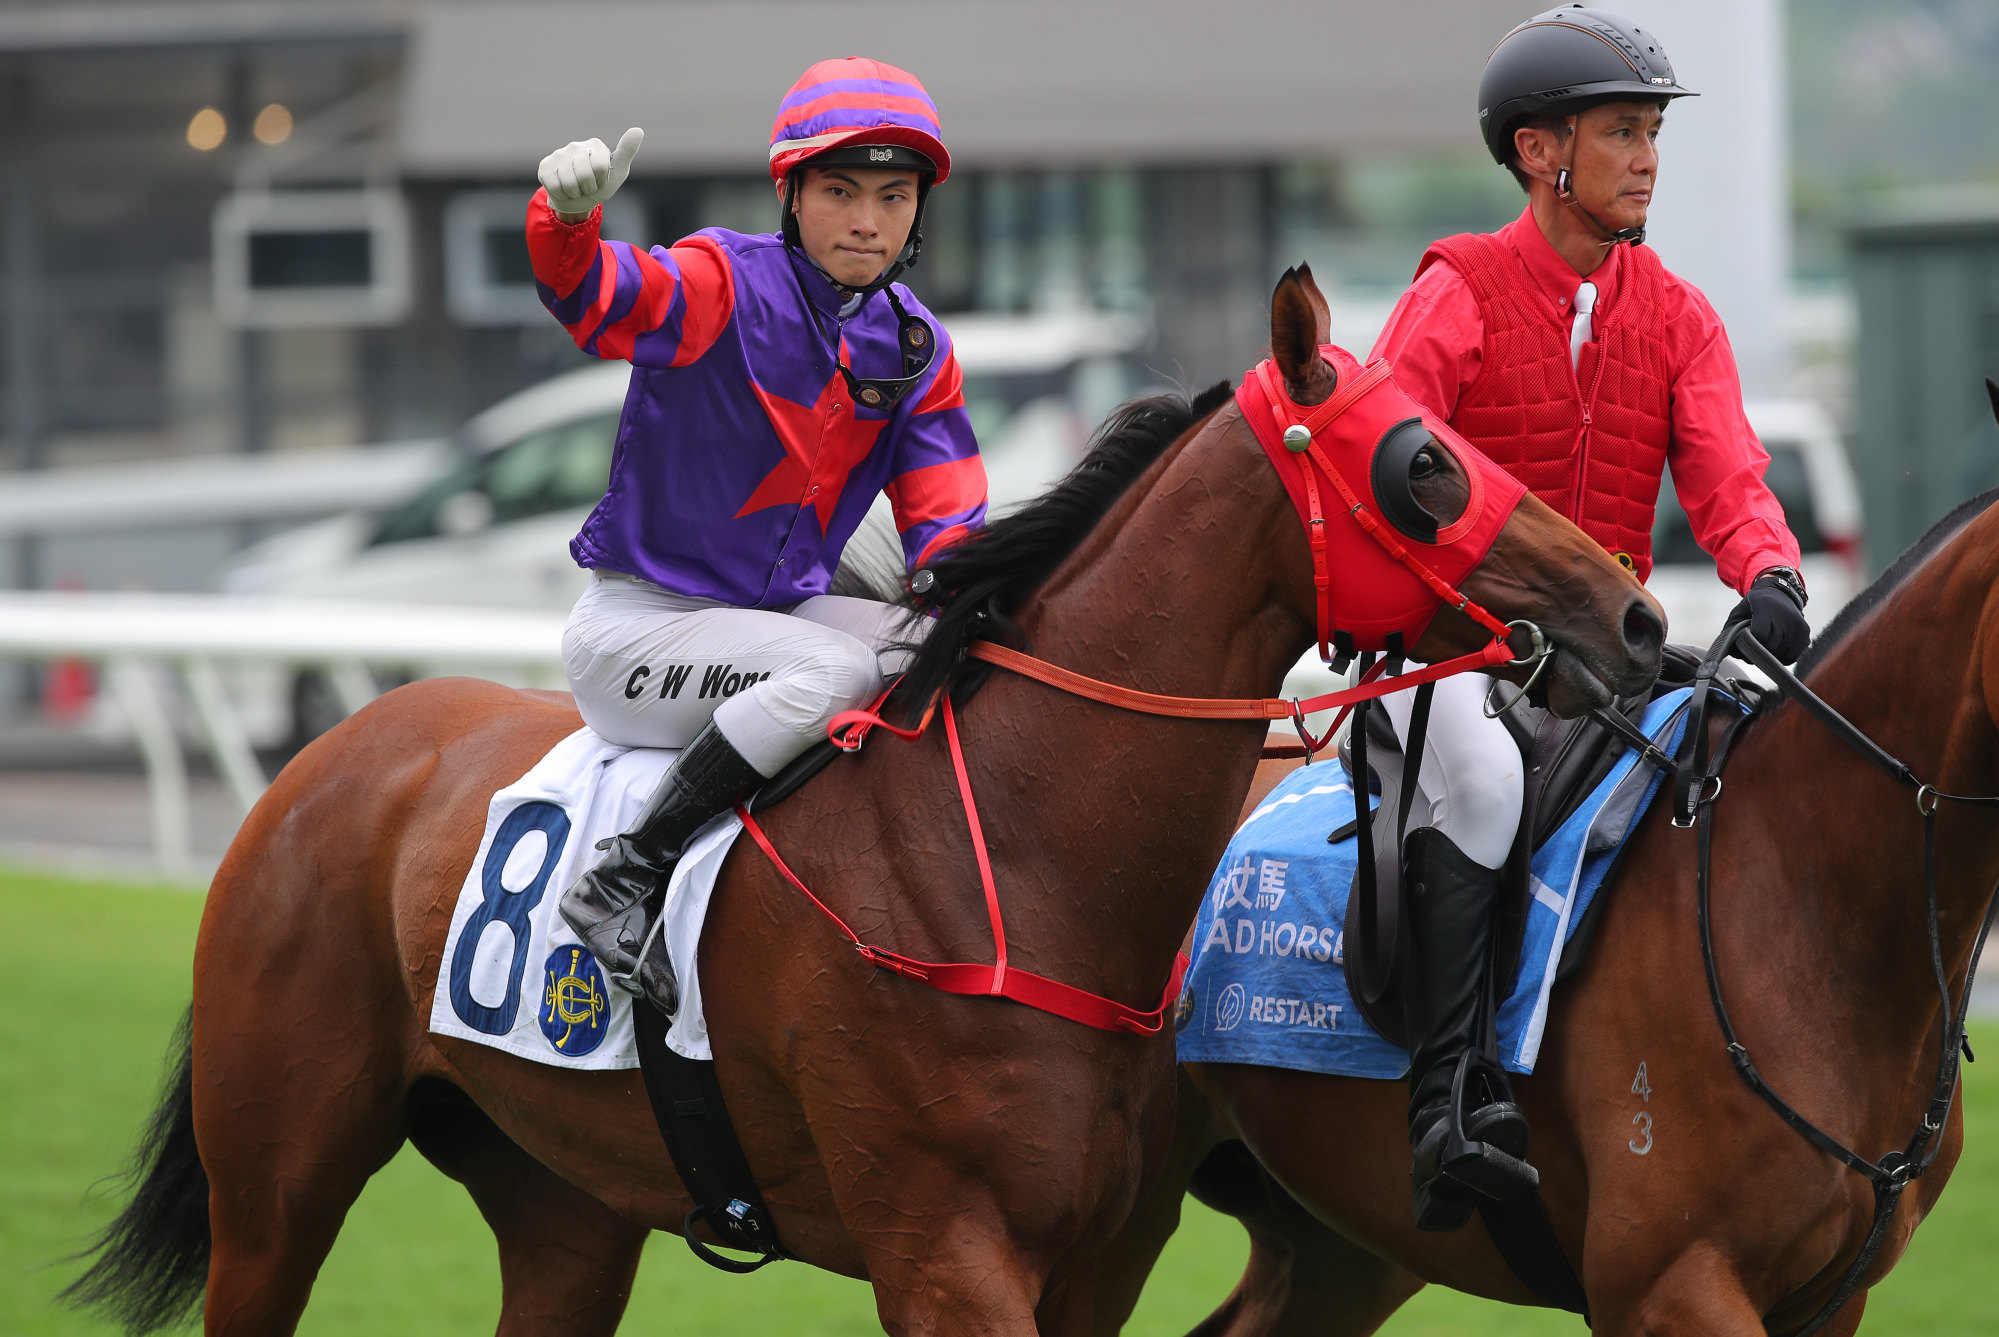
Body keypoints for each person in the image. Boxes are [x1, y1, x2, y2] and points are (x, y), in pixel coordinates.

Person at [1364, 5, 1812, 1230]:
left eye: (1653, 134)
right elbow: (1384, 474)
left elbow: (1728, 480)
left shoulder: (1676, 315)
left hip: (1601, 662)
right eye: (1622, 132)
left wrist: (1769, 574)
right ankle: (1447, 1104)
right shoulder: (1454, 292)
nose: (1649, 160)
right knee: (1489, 785)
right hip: (1450, 654)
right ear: (1537, 152)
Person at [525, 58, 986, 1007]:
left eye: (892, 197)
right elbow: (600, 300)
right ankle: (625, 875)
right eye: (841, 191)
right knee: (835, 674)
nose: (867, 220)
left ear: (917, 210)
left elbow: (948, 526)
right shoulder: (717, 283)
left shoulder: (914, 350)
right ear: (791, 193)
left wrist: (976, 600)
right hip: (639, 632)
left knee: (954, 651)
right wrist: (566, 223)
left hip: (771, 619)